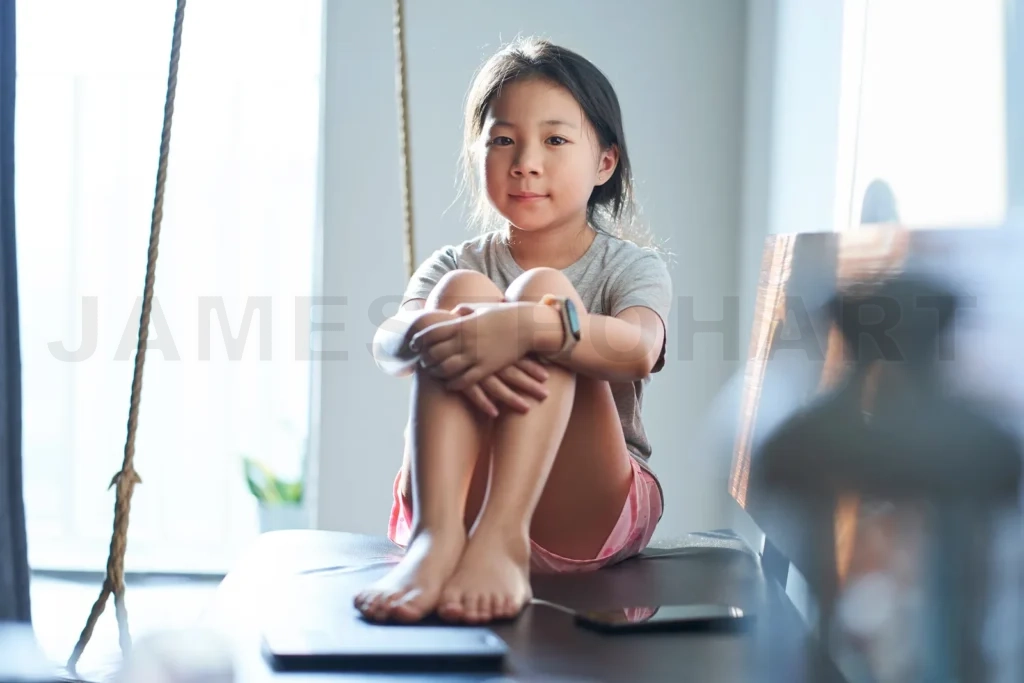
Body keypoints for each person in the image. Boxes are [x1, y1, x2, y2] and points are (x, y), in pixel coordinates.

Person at [354, 37, 673, 626]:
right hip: (457, 501)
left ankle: (501, 538)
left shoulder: (631, 267)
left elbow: (637, 349)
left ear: (605, 161)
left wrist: (535, 324)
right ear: (477, 155)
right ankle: (436, 539)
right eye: (503, 140)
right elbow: (388, 344)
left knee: (543, 292)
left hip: (585, 507)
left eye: (555, 140)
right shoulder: (458, 263)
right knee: (461, 297)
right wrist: (431, 331)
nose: (526, 160)